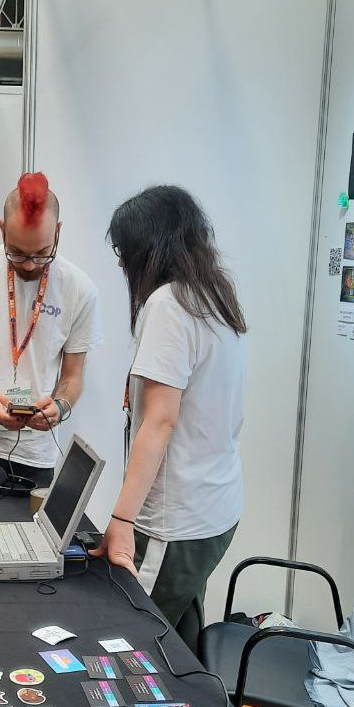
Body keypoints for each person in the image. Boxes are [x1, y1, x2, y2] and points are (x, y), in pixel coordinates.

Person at [92, 186, 247, 653]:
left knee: (128, 645)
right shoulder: (215, 296)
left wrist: (121, 518)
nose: (121, 264)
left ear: (150, 248)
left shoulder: (169, 306)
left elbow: (158, 423)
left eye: (124, 251)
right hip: (216, 510)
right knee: (178, 639)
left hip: (174, 522)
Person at [0, 173, 102, 487]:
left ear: (59, 232)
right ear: (1, 229)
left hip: (34, 457)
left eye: (42, 253)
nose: (29, 264)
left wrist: (61, 407)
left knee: (28, 538)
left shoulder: (80, 291)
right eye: (17, 253)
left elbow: (73, 376)